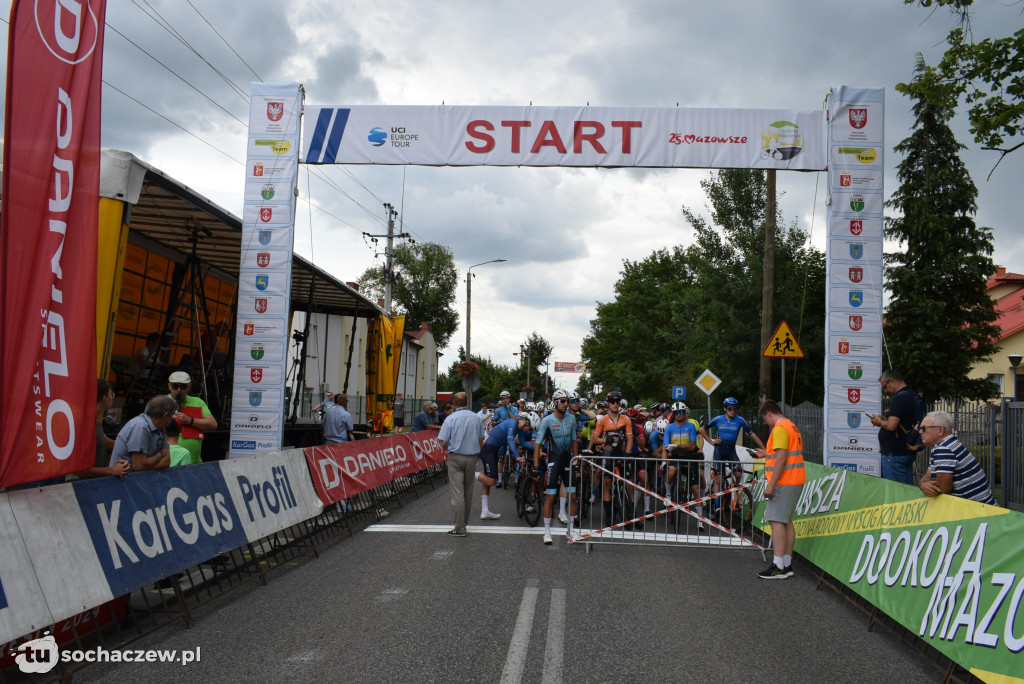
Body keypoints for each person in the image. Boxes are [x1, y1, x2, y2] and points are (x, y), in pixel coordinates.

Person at [754, 400, 806, 579]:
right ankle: (786, 563)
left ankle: (778, 566)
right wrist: (765, 454)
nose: (766, 423)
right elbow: (784, 454)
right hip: (795, 480)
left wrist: (771, 485)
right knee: (786, 522)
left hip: (784, 482)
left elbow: (782, 459)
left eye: (764, 419)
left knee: (776, 521)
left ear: (769, 413)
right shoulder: (791, 426)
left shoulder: (780, 428)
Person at [700, 397, 766, 514]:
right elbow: (702, 429)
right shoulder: (718, 419)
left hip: (731, 451)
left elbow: (752, 434)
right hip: (719, 451)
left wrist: (764, 448)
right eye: (730, 409)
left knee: (739, 471)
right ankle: (717, 506)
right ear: (725, 409)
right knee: (718, 480)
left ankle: (734, 487)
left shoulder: (740, 420)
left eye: (735, 409)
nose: (732, 411)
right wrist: (711, 442)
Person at [918, 411, 997, 505]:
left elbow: (942, 490)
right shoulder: (946, 445)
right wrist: (923, 484)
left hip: (979, 514)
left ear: (940, 430)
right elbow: (928, 477)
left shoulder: (944, 449)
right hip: (982, 509)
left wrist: (923, 485)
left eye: (924, 428)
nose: (920, 431)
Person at [533, 388, 579, 544]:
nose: (566, 404)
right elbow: (537, 444)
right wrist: (536, 465)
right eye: (563, 401)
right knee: (551, 497)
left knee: (573, 495)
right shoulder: (547, 420)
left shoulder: (571, 419)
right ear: (555, 403)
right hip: (553, 460)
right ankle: (547, 532)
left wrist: (577, 461)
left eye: (568, 401)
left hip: (568, 461)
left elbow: (574, 441)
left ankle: (571, 530)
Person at [438, 392, 486, 537]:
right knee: (468, 492)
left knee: (457, 493)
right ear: (467, 402)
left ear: (454, 403)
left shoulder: (450, 418)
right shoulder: (476, 418)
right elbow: (481, 439)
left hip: (455, 457)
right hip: (472, 458)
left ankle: (460, 528)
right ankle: (464, 523)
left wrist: (449, 448)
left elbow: (443, 442)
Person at [68, 380, 131, 480]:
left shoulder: (96, 421)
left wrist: (135, 444)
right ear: (105, 399)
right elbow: (77, 469)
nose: (112, 398)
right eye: (112, 395)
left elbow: (105, 442)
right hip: (80, 486)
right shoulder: (85, 425)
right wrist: (111, 470)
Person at [869, 370, 924, 485]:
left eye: (885, 387)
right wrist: (884, 419)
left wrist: (880, 422)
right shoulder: (911, 395)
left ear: (892, 381)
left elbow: (891, 426)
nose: (886, 391)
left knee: (896, 491)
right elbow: (902, 422)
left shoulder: (899, 398)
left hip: (894, 453)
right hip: (906, 451)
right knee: (906, 489)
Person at [590, 390, 634, 526]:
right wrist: (606, 440)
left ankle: (632, 515)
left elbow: (630, 438)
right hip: (608, 454)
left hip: (621, 453)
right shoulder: (602, 420)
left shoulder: (625, 419)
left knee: (629, 484)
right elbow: (595, 438)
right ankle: (608, 516)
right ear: (608, 404)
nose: (615, 404)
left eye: (617, 402)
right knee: (607, 485)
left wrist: (627, 453)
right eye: (613, 402)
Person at [479, 413, 533, 520]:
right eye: (525, 426)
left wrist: (536, 448)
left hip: (493, 450)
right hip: (488, 449)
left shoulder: (520, 429)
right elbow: (510, 441)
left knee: (488, 482)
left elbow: (523, 443)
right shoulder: (513, 422)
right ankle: (471, 474)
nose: (526, 429)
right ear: (522, 421)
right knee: (491, 481)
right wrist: (517, 456)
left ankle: (485, 511)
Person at [661, 403, 705, 527]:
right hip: (675, 457)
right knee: (671, 471)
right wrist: (664, 462)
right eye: (676, 413)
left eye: (681, 412)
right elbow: (665, 448)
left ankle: (700, 519)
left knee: (695, 489)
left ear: (685, 413)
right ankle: (669, 494)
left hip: (689, 457)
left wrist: (677, 446)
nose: (679, 415)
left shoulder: (691, 426)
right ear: (673, 414)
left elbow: (692, 446)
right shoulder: (669, 428)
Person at [109, 395, 175, 472]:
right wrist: (158, 456)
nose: (172, 419)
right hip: (125, 480)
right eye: (172, 415)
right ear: (165, 416)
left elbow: (167, 461)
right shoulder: (140, 427)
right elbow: (139, 466)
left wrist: (147, 463)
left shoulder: (161, 426)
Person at [167, 371, 217, 463]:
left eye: (183, 386)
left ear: (189, 387)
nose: (179, 390)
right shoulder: (161, 402)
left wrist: (190, 420)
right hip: (169, 461)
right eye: (175, 386)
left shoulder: (198, 402)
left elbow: (213, 424)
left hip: (195, 462)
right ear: (169, 386)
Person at [492, 390, 520, 488]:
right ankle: (499, 480)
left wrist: (509, 411)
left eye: (506, 398)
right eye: (503, 399)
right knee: (501, 458)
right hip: (503, 435)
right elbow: (493, 420)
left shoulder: (514, 409)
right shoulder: (498, 410)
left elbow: (516, 420)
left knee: (515, 458)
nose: (504, 400)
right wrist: (494, 422)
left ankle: (516, 480)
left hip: (512, 435)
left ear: (509, 399)